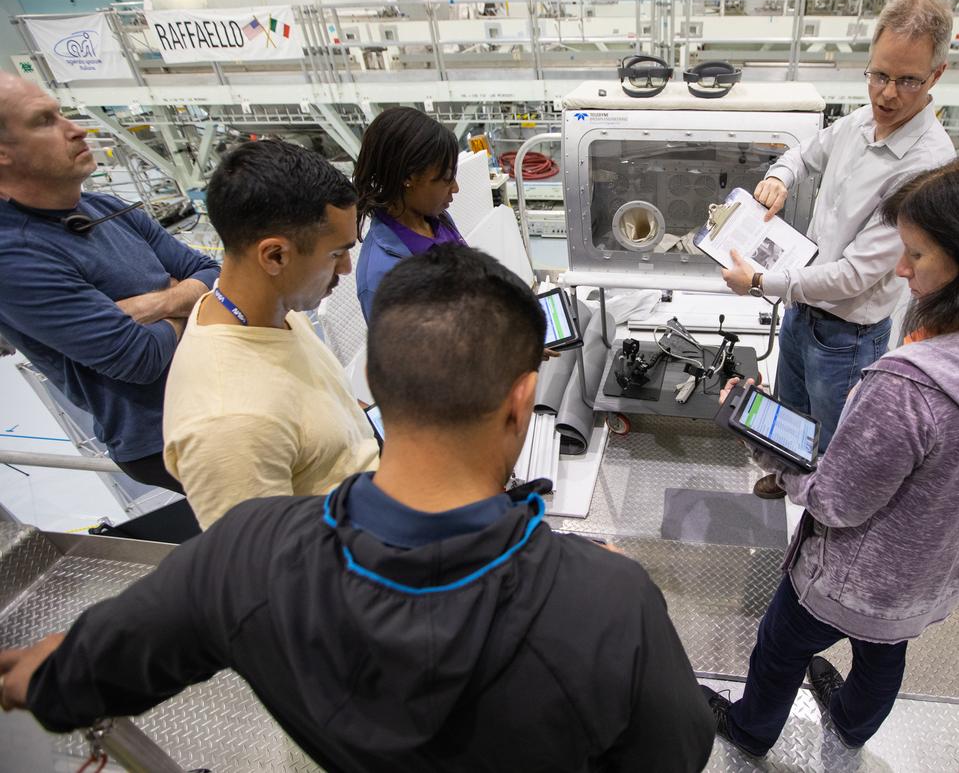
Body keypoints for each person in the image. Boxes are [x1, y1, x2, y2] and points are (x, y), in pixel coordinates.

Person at [0, 245, 717, 773]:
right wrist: (592, 577)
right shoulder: (610, 605)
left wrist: (37, 676)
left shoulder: (244, 554)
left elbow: (72, 677)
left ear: (377, 380)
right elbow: (675, 756)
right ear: (522, 401)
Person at [702, 156, 959, 757]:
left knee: (781, 645)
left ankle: (750, 731)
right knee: (884, 651)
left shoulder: (907, 384)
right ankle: (851, 725)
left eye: (917, 255)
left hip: (851, 579)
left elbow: (836, 504)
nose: (901, 269)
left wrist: (769, 452)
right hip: (938, 572)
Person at [720, 0, 957, 498]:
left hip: (847, 334)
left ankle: (819, 511)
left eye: (907, 80)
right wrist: (780, 176)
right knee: (788, 410)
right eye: (879, 74)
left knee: (831, 439)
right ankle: (786, 476)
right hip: (803, 306)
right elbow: (806, 153)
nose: (887, 94)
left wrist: (759, 281)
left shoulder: (926, 166)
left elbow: (854, 275)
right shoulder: (861, 121)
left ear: (936, 75)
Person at [0, 72, 218, 496]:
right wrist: (187, 298)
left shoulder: (101, 205)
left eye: (61, 113)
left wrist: (152, 306)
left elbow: (212, 272)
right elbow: (138, 357)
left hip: (215, 393)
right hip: (170, 434)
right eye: (44, 121)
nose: (76, 129)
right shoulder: (14, 256)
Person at [162, 139, 379, 528]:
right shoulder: (229, 421)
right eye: (336, 254)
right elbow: (268, 562)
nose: (347, 269)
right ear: (275, 256)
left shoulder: (273, 311)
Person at [352, 106, 463, 320]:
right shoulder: (382, 277)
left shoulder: (437, 219)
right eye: (446, 178)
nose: (455, 188)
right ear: (408, 177)